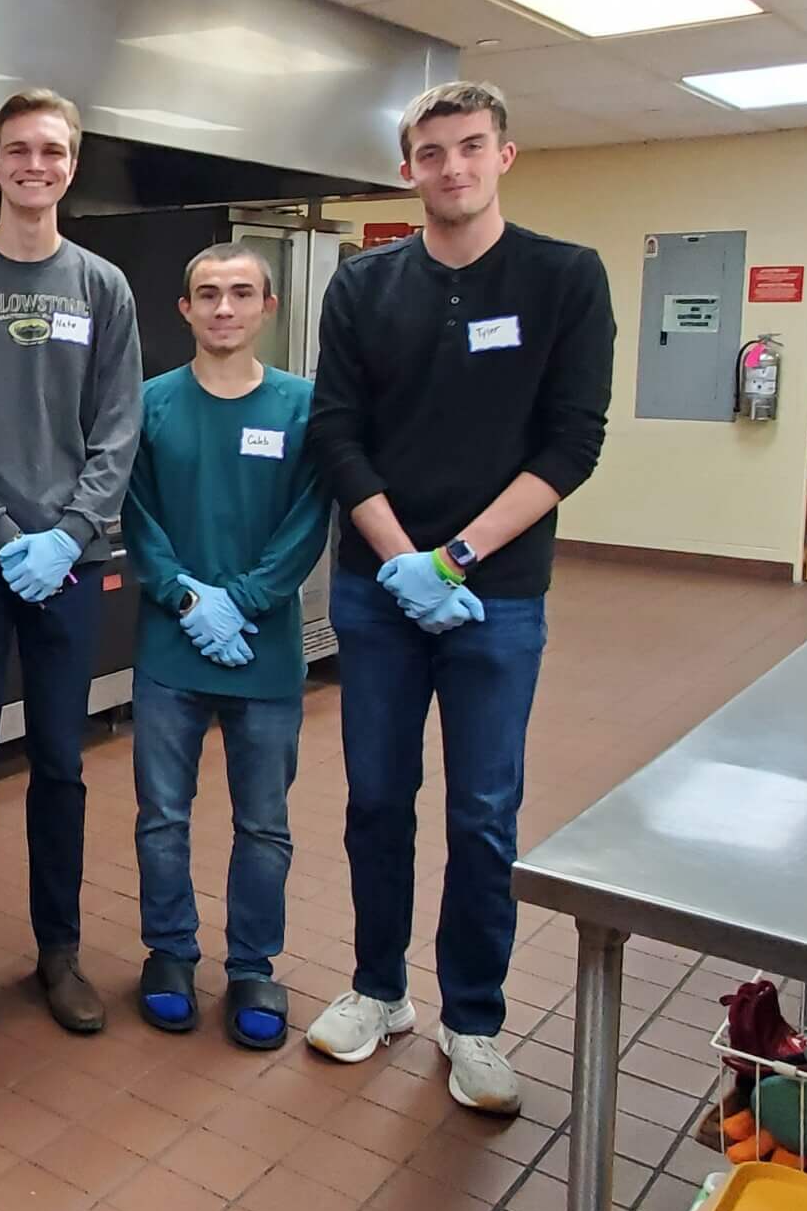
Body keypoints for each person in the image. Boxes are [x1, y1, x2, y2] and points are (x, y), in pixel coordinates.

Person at [304, 81, 614, 1117]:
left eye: (471, 147)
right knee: (376, 799)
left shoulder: (564, 277)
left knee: (483, 813)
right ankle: (377, 989)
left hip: (499, 595)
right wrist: (403, 562)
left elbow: (572, 442)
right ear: (408, 169)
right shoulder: (363, 285)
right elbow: (336, 431)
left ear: (504, 155)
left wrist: (458, 560)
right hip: (377, 590)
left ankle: (473, 1020)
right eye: (432, 153)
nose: (452, 168)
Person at [0, 87, 143, 1036]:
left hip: (69, 569)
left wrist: (69, 536)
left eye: (51, 151)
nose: (34, 165)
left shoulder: (103, 287)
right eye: (18, 150)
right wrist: (5, 539)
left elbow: (119, 428)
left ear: (70, 167)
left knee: (60, 761)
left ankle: (59, 951)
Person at [123, 246, 329, 1050]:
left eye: (241, 294)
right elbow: (135, 512)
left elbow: (309, 518)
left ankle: (252, 966)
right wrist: (184, 597)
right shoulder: (152, 404)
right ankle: (170, 953)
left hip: (263, 652)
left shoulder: (301, 407)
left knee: (265, 823)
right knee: (161, 817)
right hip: (170, 647)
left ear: (267, 307)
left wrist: (241, 602)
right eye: (207, 294)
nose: (223, 308)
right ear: (184, 309)